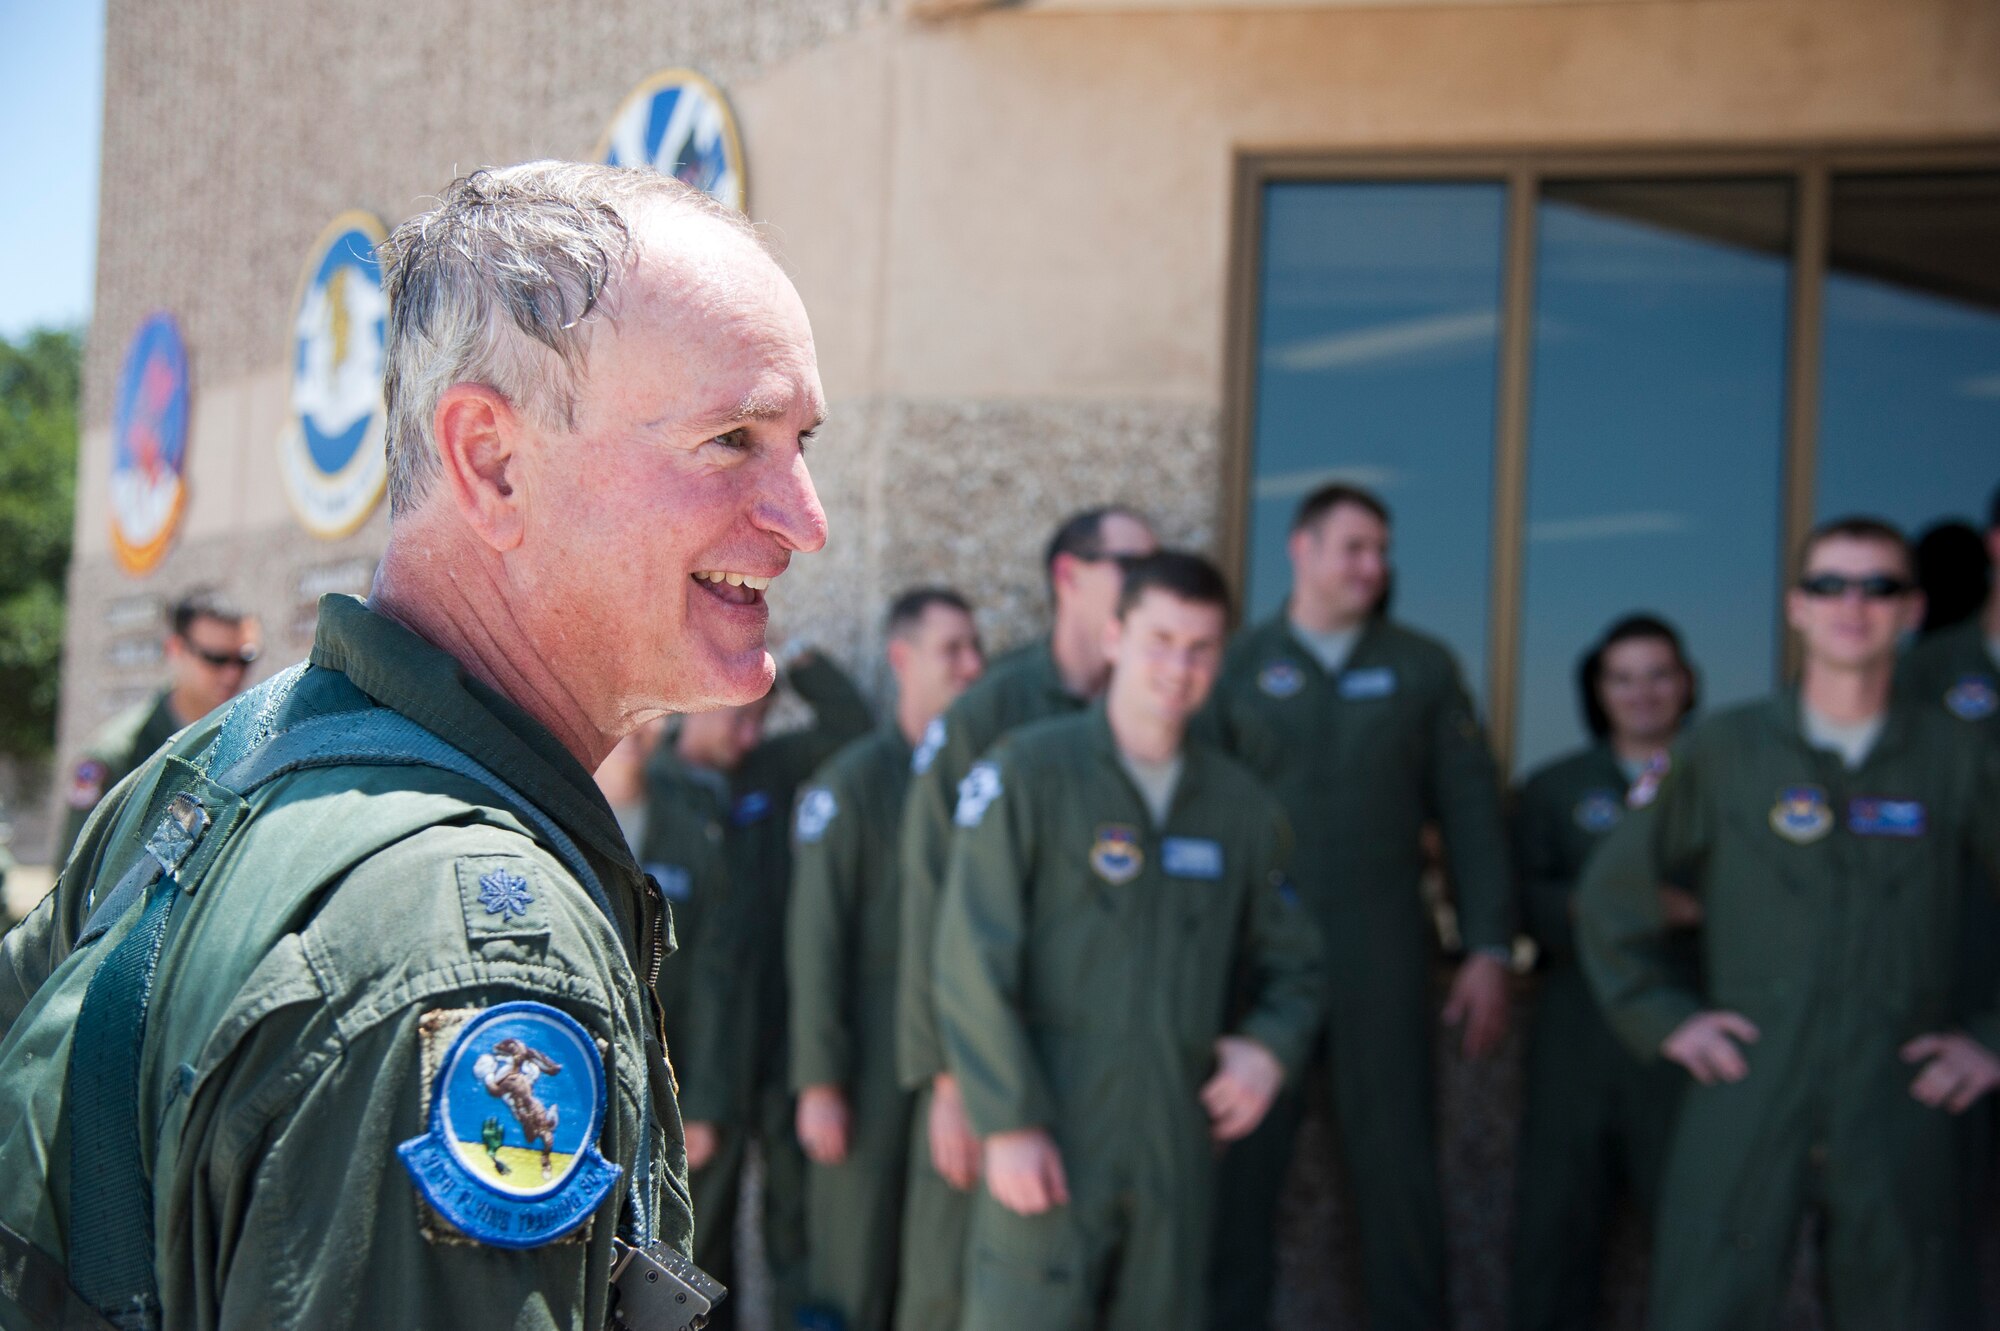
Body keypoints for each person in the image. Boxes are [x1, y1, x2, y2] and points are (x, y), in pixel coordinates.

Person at [0, 161, 829, 1329]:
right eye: (733, 438)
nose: (805, 515)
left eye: (802, 441)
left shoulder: (218, 764)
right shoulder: (471, 944)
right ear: (491, 460)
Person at [1578, 516, 2000, 1330]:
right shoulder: (1729, 750)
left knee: (1911, 1305)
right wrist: (1667, 1019)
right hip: (1751, 1077)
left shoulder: (1956, 757)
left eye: (1879, 585)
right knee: (1706, 1303)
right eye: (1829, 583)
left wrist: (1991, 1038)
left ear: (1912, 612)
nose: (1853, 602)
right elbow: (1610, 896)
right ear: (1796, 608)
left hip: (1899, 1088)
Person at [934, 551, 1324, 1330]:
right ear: (1114, 636)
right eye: (1160, 639)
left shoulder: (1238, 807)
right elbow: (969, 958)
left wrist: (1269, 1047)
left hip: (1174, 1145)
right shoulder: (1028, 773)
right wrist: (1006, 1121)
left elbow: (1299, 964)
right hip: (1050, 1132)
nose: (1178, 667)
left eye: (1201, 646)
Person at [1202, 482, 1514, 1331]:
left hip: (1385, 953)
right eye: (1354, 547)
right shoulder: (1237, 665)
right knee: (1240, 1176)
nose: (1373, 567)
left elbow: (1472, 812)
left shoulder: (1422, 666)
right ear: (1301, 548)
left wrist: (1489, 944)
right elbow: (1199, 811)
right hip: (1263, 963)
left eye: (1382, 551)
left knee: (1399, 1178)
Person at [892, 505, 1157, 1331]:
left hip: (1110, 1070)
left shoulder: (1156, 711)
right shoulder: (990, 712)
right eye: (1130, 566)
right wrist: (946, 1079)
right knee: (955, 1287)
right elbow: (930, 895)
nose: (1151, 588)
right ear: (1070, 577)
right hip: (985, 1062)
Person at [787, 588, 984, 1330]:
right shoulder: (854, 782)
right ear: (902, 659)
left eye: (975, 648)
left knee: (937, 1272)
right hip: (862, 1062)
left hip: (950, 1059)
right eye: (952, 649)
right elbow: (816, 940)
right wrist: (818, 1080)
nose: (972, 665)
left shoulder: (985, 778)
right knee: (852, 1264)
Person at [666, 649, 871, 1329]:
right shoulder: (653, 783)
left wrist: (807, 664)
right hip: (699, 1069)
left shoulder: (768, 770)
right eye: (740, 719)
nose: (749, 735)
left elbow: (851, 728)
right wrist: (682, 1094)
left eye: (761, 719)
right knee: (699, 1243)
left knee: (794, 1225)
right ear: (695, 699)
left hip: (777, 1039)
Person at [1508, 615, 1701, 1331]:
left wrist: (1694, 910)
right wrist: (1622, 906)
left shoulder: (1720, 778)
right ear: (1598, 689)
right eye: (1622, 677)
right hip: (1576, 1029)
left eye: (1658, 674)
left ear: (1685, 684)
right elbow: (1522, 897)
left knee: (1695, 1228)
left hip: (1688, 1027)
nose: (1641, 692)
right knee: (1555, 1228)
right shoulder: (1556, 785)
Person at [54, 588, 261, 866]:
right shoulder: (116, 755)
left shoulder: (254, 741)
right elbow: (74, 877)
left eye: (244, 660)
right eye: (215, 659)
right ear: (175, 649)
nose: (232, 673)